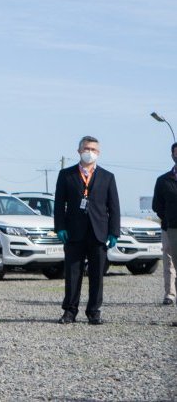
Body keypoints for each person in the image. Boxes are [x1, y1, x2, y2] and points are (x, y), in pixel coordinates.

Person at [54, 136, 120, 325]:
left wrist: (114, 232)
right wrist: (60, 227)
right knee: (73, 273)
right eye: (86, 148)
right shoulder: (66, 175)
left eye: (94, 149)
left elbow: (114, 207)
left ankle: (94, 311)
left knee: (97, 274)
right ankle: (69, 311)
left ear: (98, 153)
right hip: (74, 233)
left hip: (99, 233)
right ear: (79, 151)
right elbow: (59, 205)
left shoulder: (108, 177)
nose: (90, 152)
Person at [150, 142, 177, 307]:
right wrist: (167, 218)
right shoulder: (163, 180)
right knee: (169, 262)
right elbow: (156, 205)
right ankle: (170, 294)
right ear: (172, 155)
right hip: (169, 228)